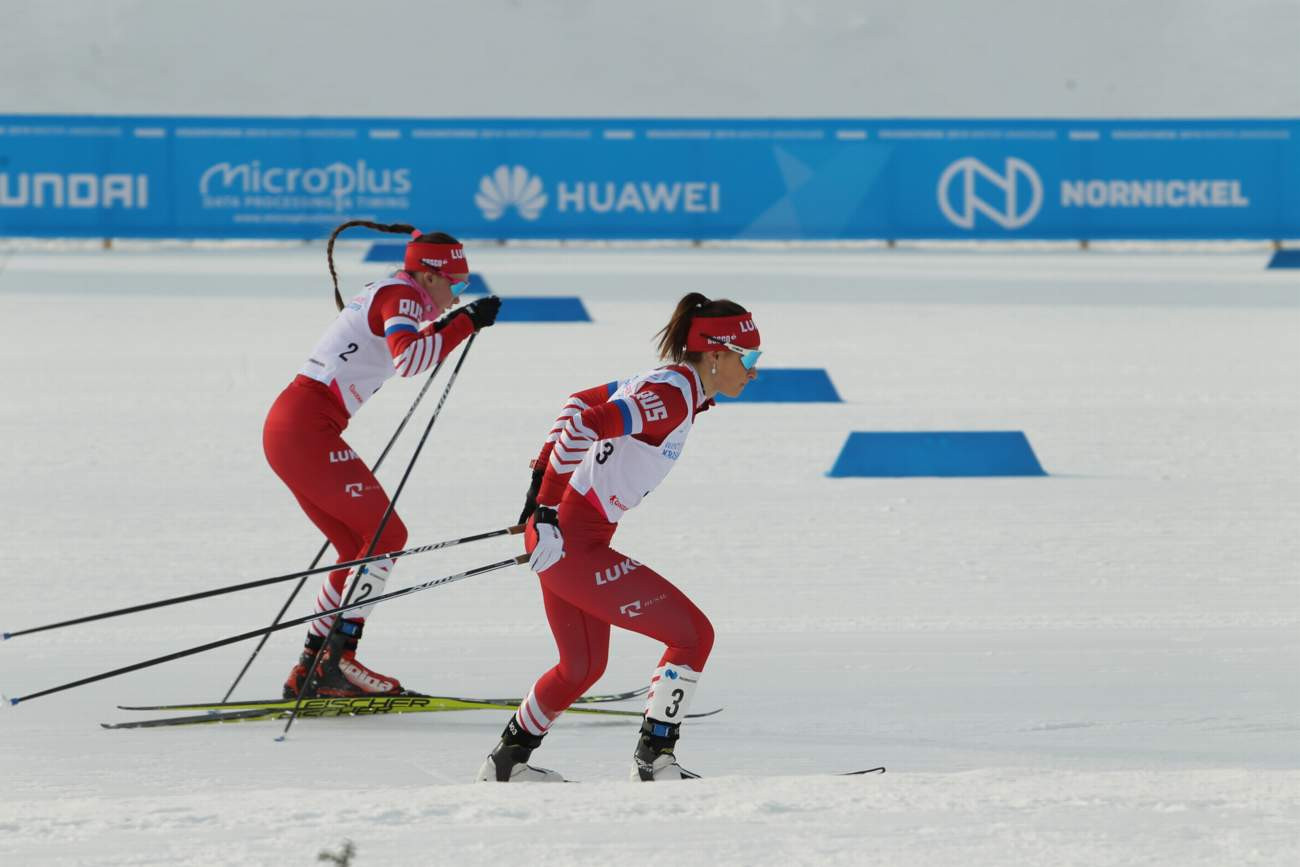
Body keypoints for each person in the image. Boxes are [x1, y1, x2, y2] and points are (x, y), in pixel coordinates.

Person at [476, 292, 761, 782]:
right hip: (570, 542)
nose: (753, 371)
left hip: (568, 538)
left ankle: (506, 764)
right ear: (715, 353)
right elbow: (588, 422)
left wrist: (541, 484)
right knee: (693, 635)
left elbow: (577, 401)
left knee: (581, 667)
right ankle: (655, 760)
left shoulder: (673, 386)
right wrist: (543, 504)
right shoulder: (671, 396)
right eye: (749, 357)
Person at [264, 220, 501, 699]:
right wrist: (463, 324)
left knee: (356, 544)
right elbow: (409, 360)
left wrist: (454, 323)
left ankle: (313, 665)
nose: (455, 296)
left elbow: (409, 344)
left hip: (291, 428)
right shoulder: (404, 297)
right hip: (306, 429)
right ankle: (338, 660)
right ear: (430, 275)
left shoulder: (397, 292)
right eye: (455, 285)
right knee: (389, 536)